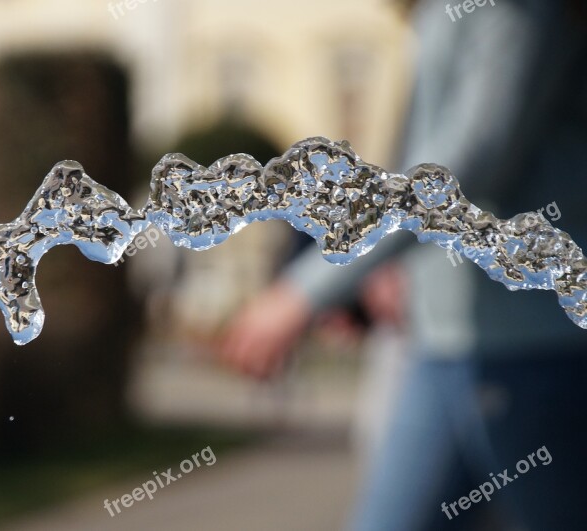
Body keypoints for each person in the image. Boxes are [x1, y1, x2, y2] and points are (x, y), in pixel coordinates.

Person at [217, 0, 587, 529]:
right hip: (441, 343)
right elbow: (425, 151)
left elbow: (472, 157)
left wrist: (308, 289)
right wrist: (382, 269)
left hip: (535, 345)